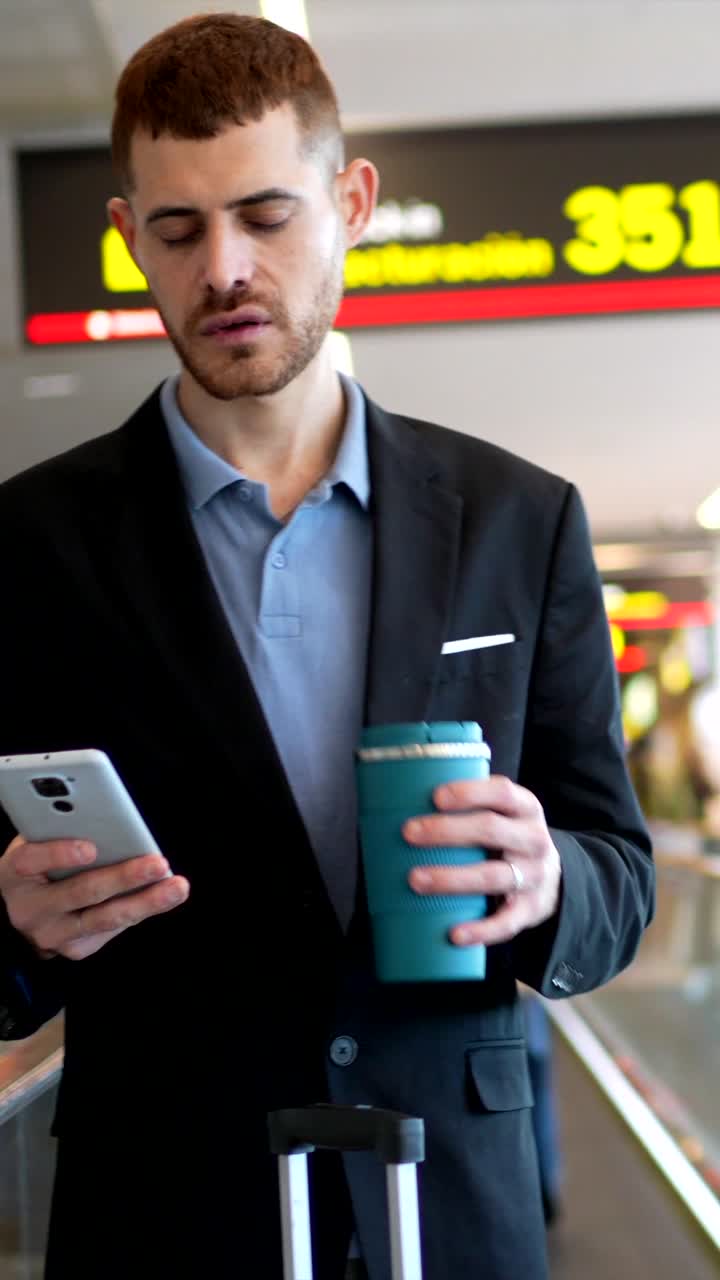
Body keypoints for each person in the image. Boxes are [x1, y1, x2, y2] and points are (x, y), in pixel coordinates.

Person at [0, 14, 654, 1280]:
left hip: (450, 1202)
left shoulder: (519, 520)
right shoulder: (30, 547)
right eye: (177, 231)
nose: (224, 269)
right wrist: (14, 923)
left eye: (266, 216)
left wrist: (549, 878)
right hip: (167, 1207)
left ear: (352, 204)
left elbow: (617, 872)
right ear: (129, 237)